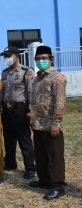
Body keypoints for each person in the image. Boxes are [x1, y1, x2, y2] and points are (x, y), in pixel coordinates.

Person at [28, 45, 67, 200]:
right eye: (38, 59)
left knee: (55, 157)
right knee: (41, 155)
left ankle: (58, 186)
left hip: (51, 125)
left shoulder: (57, 78)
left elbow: (60, 101)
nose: (41, 61)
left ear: (51, 59)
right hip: (38, 124)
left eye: (44, 58)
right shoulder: (37, 78)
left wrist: (56, 123)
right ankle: (44, 180)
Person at [0, 46, 36, 179]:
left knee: (24, 138)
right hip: (7, 109)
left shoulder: (26, 71)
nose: (6, 58)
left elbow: (30, 92)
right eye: (5, 56)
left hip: (20, 108)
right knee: (8, 138)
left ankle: (30, 167)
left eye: (8, 56)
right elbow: (2, 91)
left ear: (16, 56)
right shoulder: (5, 73)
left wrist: (30, 110)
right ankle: (10, 162)